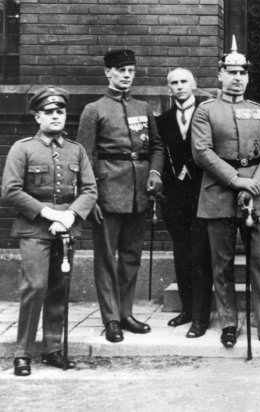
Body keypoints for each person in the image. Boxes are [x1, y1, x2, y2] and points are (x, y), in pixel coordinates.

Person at [191, 36, 260, 351]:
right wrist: (236, 180)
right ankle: (229, 323)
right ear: (220, 74)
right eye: (231, 72)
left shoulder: (259, 111)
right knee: (221, 264)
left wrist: (256, 183)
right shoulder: (206, 111)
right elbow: (202, 152)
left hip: (257, 194)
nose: (238, 78)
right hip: (219, 193)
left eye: (243, 73)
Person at [1, 86, 97, 376]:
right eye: (49, 112)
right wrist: (48, 213)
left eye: (60, 111)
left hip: (65, 228)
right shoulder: (23, 148)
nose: (56, 117)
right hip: (34, 229)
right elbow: (10, 190)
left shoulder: (76, 150)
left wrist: (69, 215)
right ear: (37, 116)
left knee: (59, 288)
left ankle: (54, 348)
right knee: (36, 286)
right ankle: (23, 352)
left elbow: (90, 190)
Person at [76, 49, 164, 343]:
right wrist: (91, 198)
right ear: (108, 73)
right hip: (107, 191)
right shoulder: (95, 110)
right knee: (106, 258)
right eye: (121, 70)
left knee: (131, 256)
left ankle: (126, 313)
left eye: (131, 70)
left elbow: (157, 147)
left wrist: (154, 174)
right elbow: (84, 156)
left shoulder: (143, 107)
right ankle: (111, 318)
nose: (127, 75)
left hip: (139, 193)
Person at [156, 68, 212, 338]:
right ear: (169, 88)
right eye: (174, 83)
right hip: (175, 196)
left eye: (184, 82)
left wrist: (189, 165)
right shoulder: (163, 120)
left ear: (194, 84)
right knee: (182, 253)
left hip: (202, 192)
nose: (179, 87)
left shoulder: (207, 112)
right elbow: (159, 154)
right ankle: (188, 309)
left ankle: (201, 317)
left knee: (201, 254)